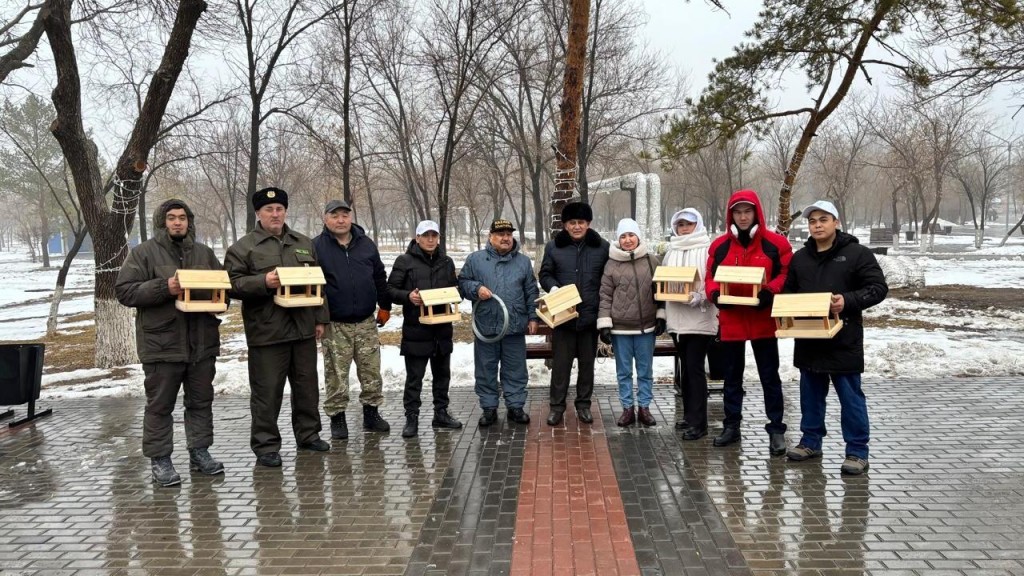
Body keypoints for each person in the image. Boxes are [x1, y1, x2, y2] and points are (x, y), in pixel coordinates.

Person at [115, 199, 225, 486]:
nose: (178, 222)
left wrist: (219, 301)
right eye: (172, 218)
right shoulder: (144, 254)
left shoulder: (204, 253)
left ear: (189, 222)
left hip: (201, 342)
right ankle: (160, 459)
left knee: (201, 402)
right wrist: (166, 287)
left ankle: (199, 452)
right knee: (160, 405)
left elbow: (223, 287)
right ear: (162, 222)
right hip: (162, 344)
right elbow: (125, 291)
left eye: (182, 218)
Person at [225, 187, 331, 467]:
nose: (275, 214)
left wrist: (321, 318)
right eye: (269, 210)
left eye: (280, 209)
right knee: (267, 392)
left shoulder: (304, 243)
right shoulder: (243, 248)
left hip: (303, 329)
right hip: (267, 331)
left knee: (307, 387)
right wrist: (263, 282)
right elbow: (232, 285)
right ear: (258, 213)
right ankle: (266, 446)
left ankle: (308, 435)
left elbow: (318, 282)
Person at [783, 200, 888, 475]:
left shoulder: (857, 254)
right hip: (808, 339)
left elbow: (878, 288)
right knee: (810, 396)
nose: (817, 225)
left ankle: (857, 451)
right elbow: (788, 293)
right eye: (812, 221)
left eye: (823, 219)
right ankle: (810, 441)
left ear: (836, 222)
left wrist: (849, 300)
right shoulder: (800, 258)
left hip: (844, 340)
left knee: (850, 398)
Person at [705, 189, 792, 456]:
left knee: (769, 376)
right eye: (737, 212)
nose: (743, 217)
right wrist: (715, 295)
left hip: (762, 321)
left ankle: (776, 428)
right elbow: (710, 276)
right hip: (732, 321)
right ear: (731, 215)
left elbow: (786, 272)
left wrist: (771, 291)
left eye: (747, 211)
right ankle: (731, 426)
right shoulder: (719, 246)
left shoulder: (775, 244)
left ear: (757, 213)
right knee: (731, 377)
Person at [314, 199, 393, 439]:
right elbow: (313, 286)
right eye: (335, 215)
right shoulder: (316, 247)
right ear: (325, 219)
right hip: (335, 323)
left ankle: (371, 413)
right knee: (336, 373)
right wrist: (319, 318)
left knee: (371, 371)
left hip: (366, 322)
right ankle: (337, 418)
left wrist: (385, 305)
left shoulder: (366, 244)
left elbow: (379, 275)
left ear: (351, 217)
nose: (340, 220)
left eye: (344, 215)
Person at [458, 218, 539, 427]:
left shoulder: (522, 262)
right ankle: (489, 408)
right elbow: (463, 284)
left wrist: (532, 317)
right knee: (486, 369)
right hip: (486, 326)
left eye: (509, 234)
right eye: (501, 234)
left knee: (515, 369)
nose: (505, 238)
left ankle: (515, 407)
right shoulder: (475, 260)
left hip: (514, 327)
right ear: (490, 237)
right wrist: (476, 288)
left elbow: (531, 291)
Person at [387, 219, 463, 438]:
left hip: (442, 329)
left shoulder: (446, 262)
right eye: (426, 235)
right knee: (414, 378)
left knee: (442, 376)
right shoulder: (405, 261)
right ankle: (412, 417)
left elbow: (453, 288)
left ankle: (441, 413)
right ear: (417, 238)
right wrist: (408, 296)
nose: (430, 240)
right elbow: (390, 289)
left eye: (434, 235)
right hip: (416, 331)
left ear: (438, 238)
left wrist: (455, 292)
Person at [538, 202, 609, 426]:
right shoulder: (553, 247)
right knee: (561, 365)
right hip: (563, 317)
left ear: (588, 224)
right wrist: (554, 287)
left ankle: (583, 405)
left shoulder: (602, 247)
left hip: (589, 316)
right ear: (565, 225)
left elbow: (608, 279)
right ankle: (557, 407)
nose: (576, 226)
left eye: (581, 222)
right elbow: (545, 274)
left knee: (587, 365)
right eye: (572, 223)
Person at [597, 218, 665, 427]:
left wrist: (661, 314)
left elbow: (660, 291)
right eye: (623, 236)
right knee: (624, 371)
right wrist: (605, 324)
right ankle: (627, 408)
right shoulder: (611, 264)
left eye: (631, 235)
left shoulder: (651, 261)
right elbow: (605, 295)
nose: (628, 240)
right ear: (618, 239)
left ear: (638, 236)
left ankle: (644, 407)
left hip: (646, 327)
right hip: (621, 328)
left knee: (645, 371)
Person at [662, 208, 718, 440]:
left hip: (700, 317)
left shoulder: (707, 249)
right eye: (681, 224)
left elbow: (713, 278)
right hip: (677, 317)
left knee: (695, 369)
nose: (684, 228)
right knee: (685, 368)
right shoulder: (671, 250)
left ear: (698, 224)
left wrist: (702, 295)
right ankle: (688, 415)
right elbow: (663, 277)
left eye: (689, 224)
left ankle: (699, 422)